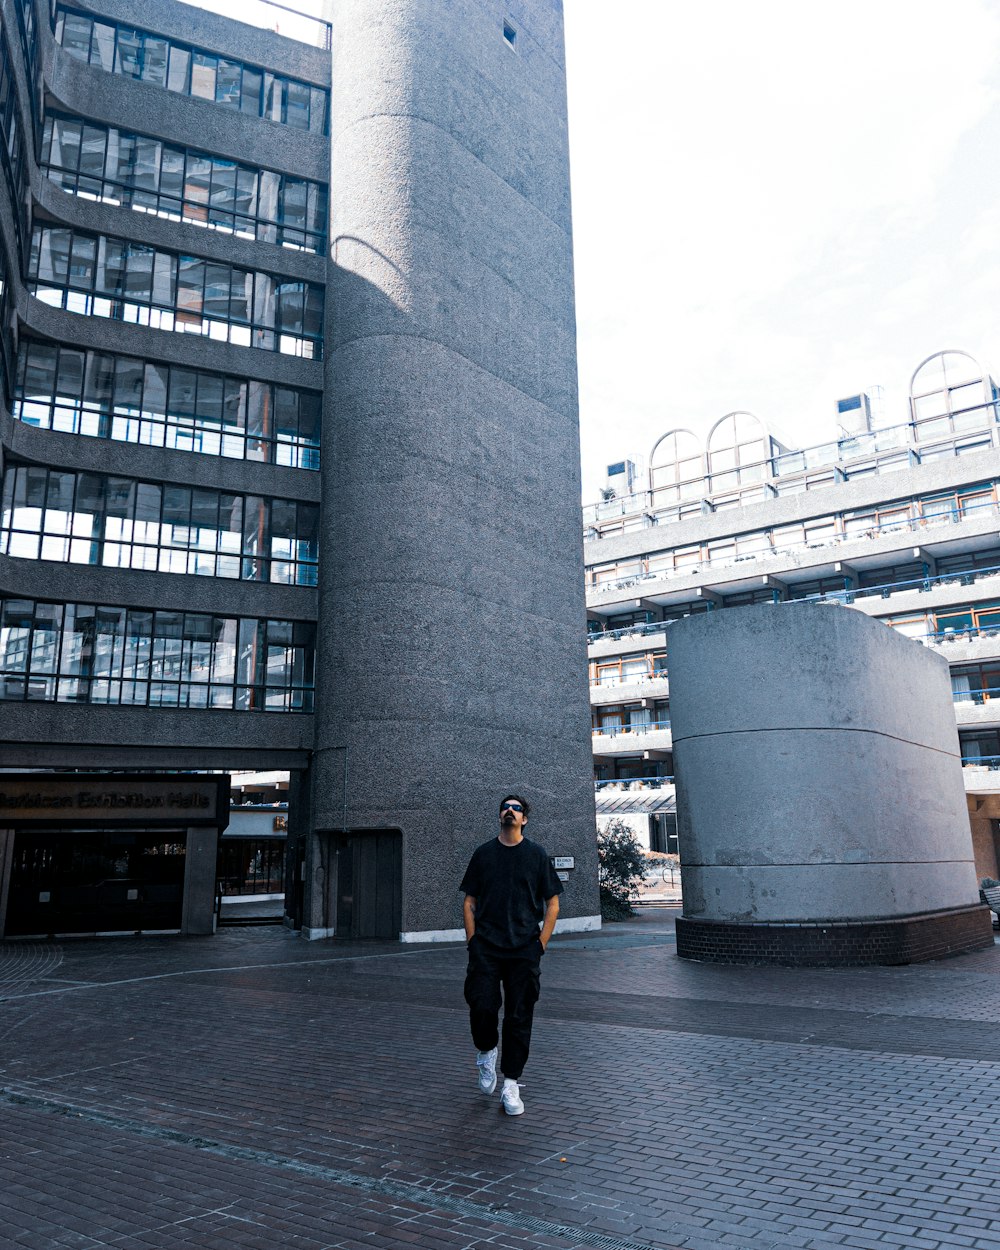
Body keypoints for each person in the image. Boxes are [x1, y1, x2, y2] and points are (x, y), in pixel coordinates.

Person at [460, 794, 563, 1116]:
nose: (510, 811)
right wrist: (473, 940)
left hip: (524, 950)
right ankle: (486, 1052)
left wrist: (541, 943)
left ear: (524, 819)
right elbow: (469, 902)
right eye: (506, 807)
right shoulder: (484, 854)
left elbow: (553, 903)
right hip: (487, 947)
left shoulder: (536, 855)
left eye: (516, 808)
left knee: (519, 1017)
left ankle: (511, 1084)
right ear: (499, 816)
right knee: (482, 1007)